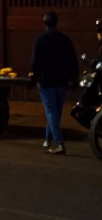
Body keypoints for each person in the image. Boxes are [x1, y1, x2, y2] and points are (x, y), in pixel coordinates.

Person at [30, 11, 78, 155]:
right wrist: (73, 78)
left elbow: (35, 59)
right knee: (56, 112)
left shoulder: (40, 39)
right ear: (56, 23)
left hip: (46, 81)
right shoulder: (65, 39)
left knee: (51, 112)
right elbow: (72, 60)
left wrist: (32, 75)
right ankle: (48, 139)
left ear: (44, 23)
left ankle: (58, 143)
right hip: (62, 81)